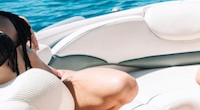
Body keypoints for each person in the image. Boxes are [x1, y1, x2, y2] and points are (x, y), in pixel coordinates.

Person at [0, 11, 138, 110]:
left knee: (125, 86)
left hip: (59, 82)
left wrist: (21, 24)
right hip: (27, 100)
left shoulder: (10, 20)